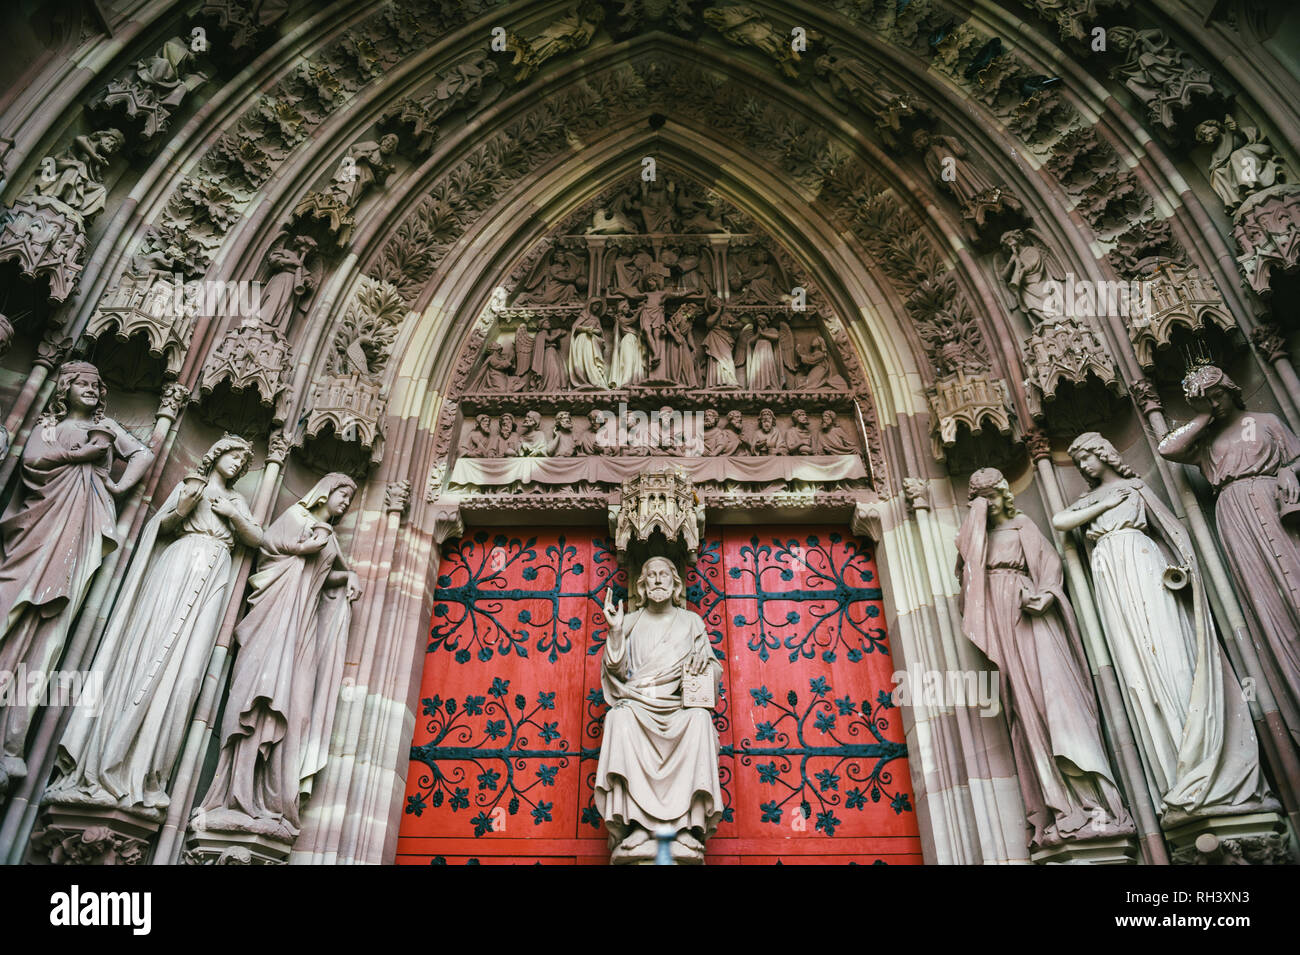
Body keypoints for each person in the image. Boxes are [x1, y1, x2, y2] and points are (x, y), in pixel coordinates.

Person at [1053, 433, 1266, 817]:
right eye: (1079, 461)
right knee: (1138, 674)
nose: (1085, 466)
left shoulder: (1135, 488)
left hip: (1144, 564)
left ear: (1105, 453)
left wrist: (1183, 573)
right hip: (1110, 577)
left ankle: (1204, 763)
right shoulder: (1089, 502)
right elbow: (1060, 520)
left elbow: (1175, 533)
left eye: (1088, 457)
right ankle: (1173, 775)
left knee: (1172, 660)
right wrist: (1103, 504)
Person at [49, 435, 264, 813]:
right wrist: (181, 510)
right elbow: (159, 529)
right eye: (233, 456)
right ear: (215, 454)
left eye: (243, 464)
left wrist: (232, 515)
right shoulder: (189, 486)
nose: (237, 465)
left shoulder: (237, 501)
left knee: (187, 675)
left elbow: (257, 537)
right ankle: (104, 762)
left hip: (215, 576)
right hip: (178, 565)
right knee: (146, 653)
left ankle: (149, 774)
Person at [956, 468, 1131, 849]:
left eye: (993, 493)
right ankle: (1058, 805)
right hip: (1001, 621)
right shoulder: (977, 541)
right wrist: (978, 516)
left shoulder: (1023, 526)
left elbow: (1050, 569)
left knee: (1054, 698)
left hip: (1031, 615)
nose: (990, 501)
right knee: (1024, 708)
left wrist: (1046, 594)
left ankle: (1095, 802)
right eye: (981, 497)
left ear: (1005, 492)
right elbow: (967, 567)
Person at [0, 362, 152, 791]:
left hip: (81, 525)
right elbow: (31, 460)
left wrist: (119, 489)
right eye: (80, 384)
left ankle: (10, 742)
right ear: (64, 389)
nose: (88, 390)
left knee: (50, 632)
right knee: (10, 607)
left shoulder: (105, 427)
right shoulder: (49, 426)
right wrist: (78, 455)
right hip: (38, 528)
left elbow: (142, 453)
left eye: (94, 385)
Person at [194, 474, 361, 840]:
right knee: (260, 700)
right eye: (342, 494)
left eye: (351, 498)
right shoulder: (298, 519)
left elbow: (321, 573)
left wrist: (345, 578)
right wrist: (311, 544)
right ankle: (234, 795)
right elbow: (271, 547)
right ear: (324, 491)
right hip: (273, 624)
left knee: (297, 711)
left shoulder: (325, 534)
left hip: (301, 630)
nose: (346, 502)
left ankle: (272, 802)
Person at [1158, 364, 1300, 745]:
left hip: (1275, 503)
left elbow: (1296, 455)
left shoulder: (1264, 420)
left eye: (1217, 395)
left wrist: (1288, 471)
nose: (1214, 404)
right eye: (1204, 400)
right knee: (1267, 603)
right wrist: (1204, 415)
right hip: (1235, 514)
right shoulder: (1207, 442)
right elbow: (1167, 448)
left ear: (1232, 390)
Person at [594, 557, 722, 863]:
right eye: (650, 575)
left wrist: (704, 663)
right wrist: (614, 632)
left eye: (664, 574)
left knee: (700, 719)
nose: (657, 580)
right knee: (618, 717)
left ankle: (683, 830)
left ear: (675, 583)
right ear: (643, 585)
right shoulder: (630, 622)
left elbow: (712, 670)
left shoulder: (691, 622)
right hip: (638, 703)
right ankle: (638, 825)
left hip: (677, 706)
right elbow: (617, 670)